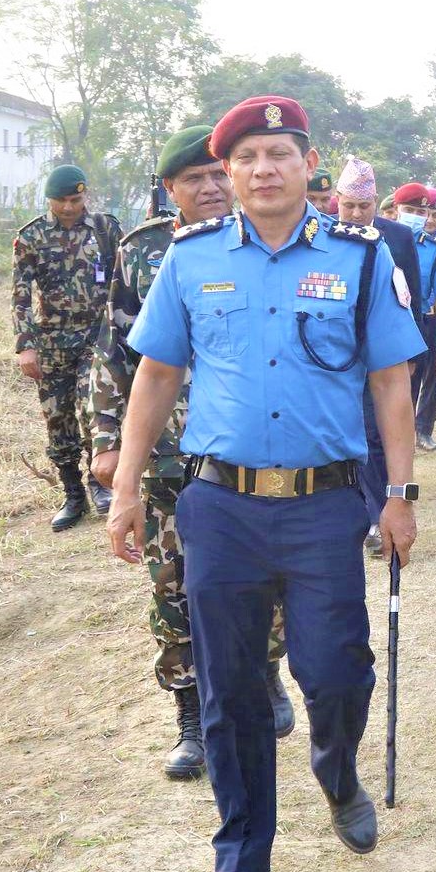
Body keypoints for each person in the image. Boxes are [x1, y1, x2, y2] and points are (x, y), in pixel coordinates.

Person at [108, 95, 426, 872]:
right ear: (228, 173)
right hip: (221, 506)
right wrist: (125, 485)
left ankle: (337, 769)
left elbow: (393, 383)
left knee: (334, 672)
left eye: (278, 154)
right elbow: (156, 377)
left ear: (307, 164)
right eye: (244, 158)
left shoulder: (360, 259)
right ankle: (243, 858)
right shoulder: (191, 260)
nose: (261, 170)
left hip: (324, 505)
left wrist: (399, 494)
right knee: (232, 690)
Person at [88, 125, 296, 778]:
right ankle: (191, 718)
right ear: (169, 188)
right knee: (174, 586)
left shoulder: (264, 239)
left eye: (216, 176)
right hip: (171, 458)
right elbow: (114, 352)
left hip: (255, 453)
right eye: (193, 180)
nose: (208, 188)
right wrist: (106, 441)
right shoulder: (143, 252)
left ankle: (265, 678)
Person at [13, 164, 123, 531]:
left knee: (95, 410)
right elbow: (21, 297)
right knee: (58, 419)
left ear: (85, 196)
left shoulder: (106, 228)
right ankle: (72, 493)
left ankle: (99, 485)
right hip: (52, 343)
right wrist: (25, 347)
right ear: (50, 200)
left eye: (75, 199)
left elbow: (123, 281)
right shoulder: (31, 237)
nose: (68, 207)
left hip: (97, 339)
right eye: (61, 200)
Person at [336, 159, 426, 558]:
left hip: (383, 354)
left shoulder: (398, 238)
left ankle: (378, 512)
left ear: (377, 202)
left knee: (376, 434)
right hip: (337, 358)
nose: (356, 215)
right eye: (348, 206)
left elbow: (413, 298)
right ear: (336, 203)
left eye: (364, 206)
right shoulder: (324, 238)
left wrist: (410, 355)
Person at [394, 183, 436, 450]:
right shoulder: (379, 241)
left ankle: (420, 431)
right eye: (408, 210)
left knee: (428, 376)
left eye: (420, 211)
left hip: (420, 323)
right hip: (385, 326)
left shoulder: (435, 249)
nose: (415, 216)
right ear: (395, 210)